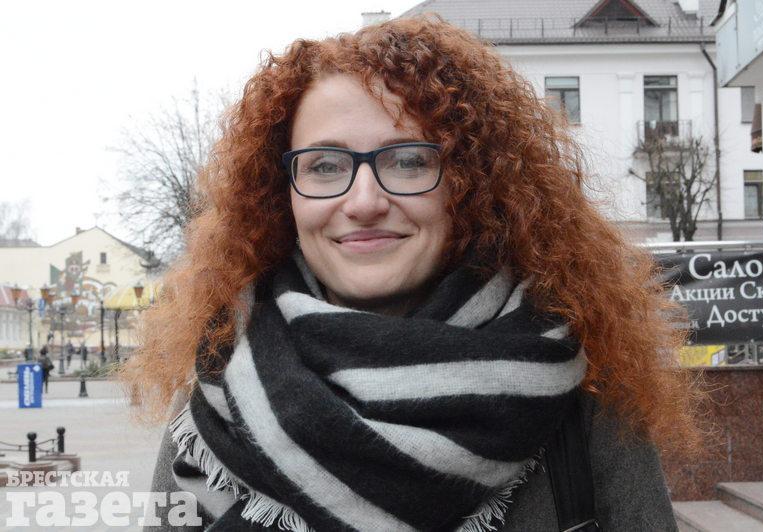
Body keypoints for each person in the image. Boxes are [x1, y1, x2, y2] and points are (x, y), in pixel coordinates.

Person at [124, 16, 703, 531]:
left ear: (471, 184)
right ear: (284, 195)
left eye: (408, 160)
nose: (363, 201)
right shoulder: (219, 388)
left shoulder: (585, 397)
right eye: (324, 166)